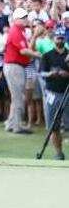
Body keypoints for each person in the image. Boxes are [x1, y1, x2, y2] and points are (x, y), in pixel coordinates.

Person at [2, 8, 40, 134]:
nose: (25, 19)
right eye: (23, 18)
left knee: (16, 97)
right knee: (18, 97)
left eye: (25, 17)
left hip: (17, 66)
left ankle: (11, 123)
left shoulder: (20, 31)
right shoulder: (16, 31)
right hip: (14, 66)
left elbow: (25, 50)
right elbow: (24, 51)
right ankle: (17, 126)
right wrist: (38, 55)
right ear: (16, 19)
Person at [39, 29, 69, 160]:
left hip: (67, 92)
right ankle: (58, 153)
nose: (60, 40)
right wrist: (51, 73)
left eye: (62, 38)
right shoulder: (47, 55)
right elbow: (41, 73)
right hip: (52, 93)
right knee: (53, 125)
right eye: (57, 38)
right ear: (53, 39)